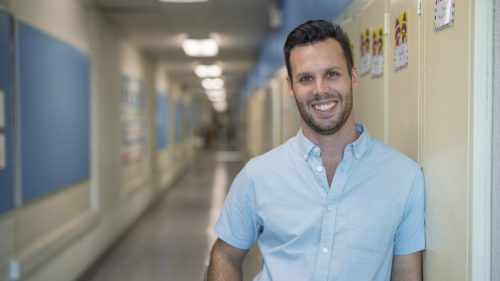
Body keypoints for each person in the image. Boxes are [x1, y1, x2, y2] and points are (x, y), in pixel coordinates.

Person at [206, 19, 425, 281]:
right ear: (291, 87)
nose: (320, 90)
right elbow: (226, 253)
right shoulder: (258, 175)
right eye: (306, 78)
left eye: (331, 74)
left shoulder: (403, 178)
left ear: (353, 77)